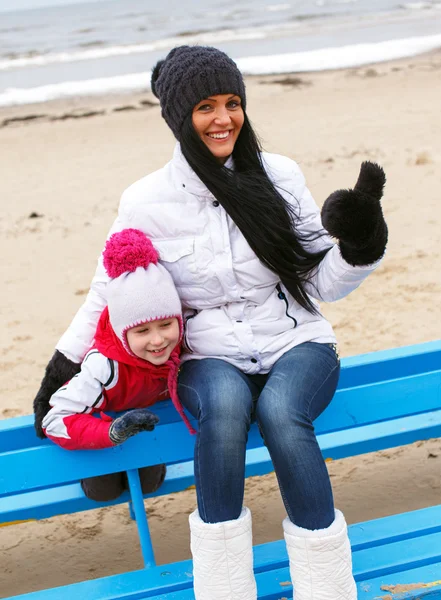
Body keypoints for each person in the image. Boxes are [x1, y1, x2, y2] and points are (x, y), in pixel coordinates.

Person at [33, 45, 388, 599]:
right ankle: (223, 587)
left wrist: (361, 245)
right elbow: (106, 293)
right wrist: (61, 371)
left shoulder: (280, 175)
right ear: (179, 117)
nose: (223, 118)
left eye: (232, 103)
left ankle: (327, 586)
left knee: (281, 412)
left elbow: (318, 280)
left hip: (297, 340)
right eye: (205, 107)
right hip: (207, 354)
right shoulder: (145, 201)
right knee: (223, 411)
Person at [42, 228, 194, 501]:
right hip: (102, 431)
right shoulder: (104, 366)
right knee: (103, 491)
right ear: (123, 332)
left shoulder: (186, 345)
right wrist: (111, 432)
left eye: (166, 324)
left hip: (148, 429)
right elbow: (54, 421)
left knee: (150, 483)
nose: (158, 340)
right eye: (142, 331)